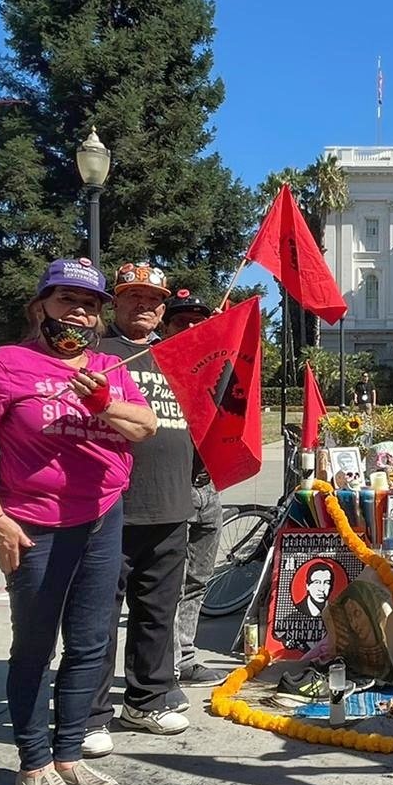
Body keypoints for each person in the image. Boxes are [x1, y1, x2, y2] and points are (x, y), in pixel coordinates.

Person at [0, 259, 157, 785]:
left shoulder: (113, 366)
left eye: (90, 304)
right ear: (40, 306)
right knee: (36, 647)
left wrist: (101, 402)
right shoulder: (7, 364)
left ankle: (69, 756)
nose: (80, 313)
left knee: (90, 646)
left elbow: (145, 425)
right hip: (33, 524)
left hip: (102, 518)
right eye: (67, 300)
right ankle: (34, 762)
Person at [79, 264, 197, 759]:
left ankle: (147, 699)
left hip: (171, 504)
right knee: (98, 617)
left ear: (163, 308)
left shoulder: (178, 355)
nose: (143, 306)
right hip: (112, 508)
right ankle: (88, 713)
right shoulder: (96, 355)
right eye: (132, 297)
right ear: (115, 304)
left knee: (157, 613)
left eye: (152, 299)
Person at [161, 290, 229, 686]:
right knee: (168, 582)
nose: (188, 328)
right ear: (166, 327)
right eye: (180, 321)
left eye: (197, 322)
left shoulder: (215, 368)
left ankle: (184, 656)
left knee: (199, 579)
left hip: (209, 487)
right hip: (172, 489)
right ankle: (163, 666)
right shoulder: (156, 368)